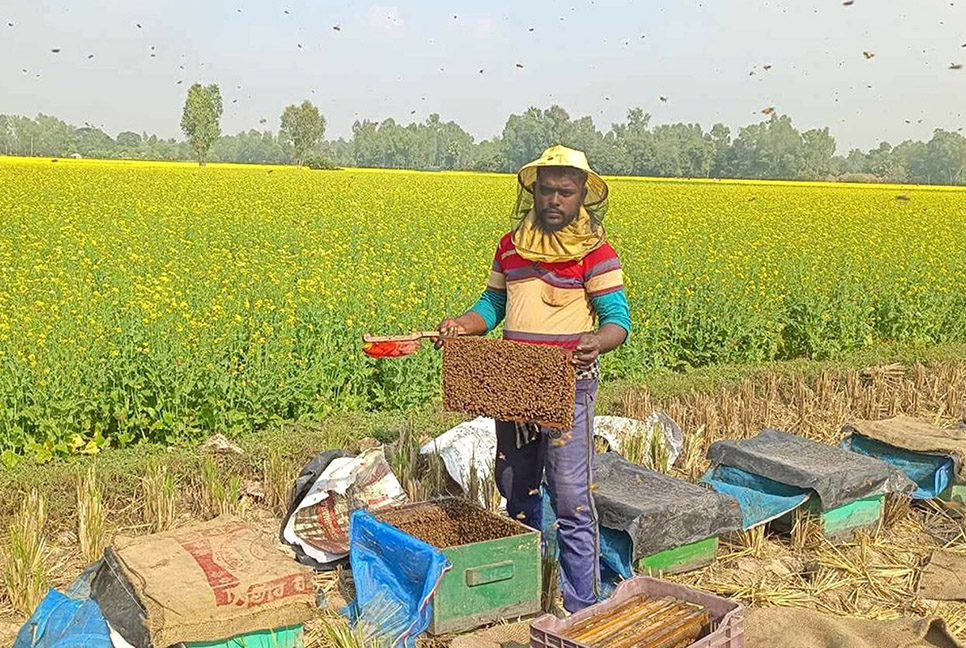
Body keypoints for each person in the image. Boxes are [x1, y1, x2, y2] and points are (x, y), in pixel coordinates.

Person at [436, 144, 630, 613]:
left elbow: (617, 321)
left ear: (583, 195)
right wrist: (463, 324)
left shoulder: (598, 253)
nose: (555, 200)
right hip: (515, 385)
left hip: (569, 385)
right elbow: (492, 306)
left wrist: (595, 342)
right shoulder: (511, 246)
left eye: (566, 192)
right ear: (534, 192)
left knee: (571, 497)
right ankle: (526, 593)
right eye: (547, 191)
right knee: (515, 486)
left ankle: (581, 604)